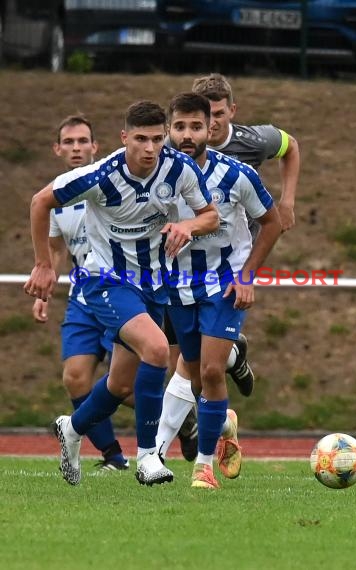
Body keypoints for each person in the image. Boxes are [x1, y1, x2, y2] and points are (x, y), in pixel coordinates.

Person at [24, 100, 219, 487]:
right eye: (141, 139)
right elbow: (40, 201)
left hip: (153, 284)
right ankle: (148, 458)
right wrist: (44, 264)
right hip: (105, 279)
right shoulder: (100, 175)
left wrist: (188, 226)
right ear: (124, 137)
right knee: (159, 349)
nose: (150, 148)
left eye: (157, 140)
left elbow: (210, 215)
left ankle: (72, 428)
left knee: (120, 385)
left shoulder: (179, 169)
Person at [156, 92, 282, 489]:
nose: (188, 134)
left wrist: (246, 277)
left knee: (211, 370)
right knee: (191, 374)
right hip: (177, 286)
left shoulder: (237, 175)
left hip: (225, 286)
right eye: (180, 127)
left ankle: (203, 467)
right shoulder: (154, 177)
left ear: (210, 127)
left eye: (196, 126)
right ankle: (222, 422)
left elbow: (273, 222)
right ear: (169, 131)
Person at [31, 115, 128, 471]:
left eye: (82, 141)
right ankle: (114, 458)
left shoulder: (114, 183)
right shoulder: (54, 196)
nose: (76, 148)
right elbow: (57, 252)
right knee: (75, 376)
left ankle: (186, 416)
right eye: (68, 142)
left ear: (95, 147)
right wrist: (44, 291)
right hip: (83, 296)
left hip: (121, 290)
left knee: (127, 386)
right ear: (58, 149)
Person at [192, 72, 300, 235]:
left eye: (219, 114)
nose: (211, 122)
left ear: (232, 110)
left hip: (242, 251)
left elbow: (291, 146)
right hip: (191, 251)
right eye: (205, 114)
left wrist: (287, 203)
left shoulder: (253, 142)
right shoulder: (178, 144)